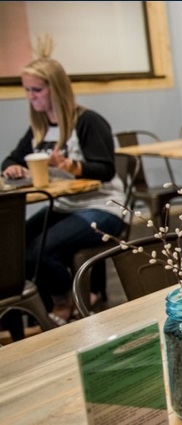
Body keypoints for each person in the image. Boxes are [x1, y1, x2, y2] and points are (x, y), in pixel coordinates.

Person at [1, 55, 125, 325]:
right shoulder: (40, 129)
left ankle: (65, 301)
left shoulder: (88, 122)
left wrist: (71, 166)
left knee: (40, 250)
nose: (31, 97)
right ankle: (38, 308)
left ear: (55, 88)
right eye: (27, 90)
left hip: (103, 206)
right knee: (13, 244)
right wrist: (13, 169)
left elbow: (105, 169)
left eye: (37, 90)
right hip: (65, 205)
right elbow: (11, 159)